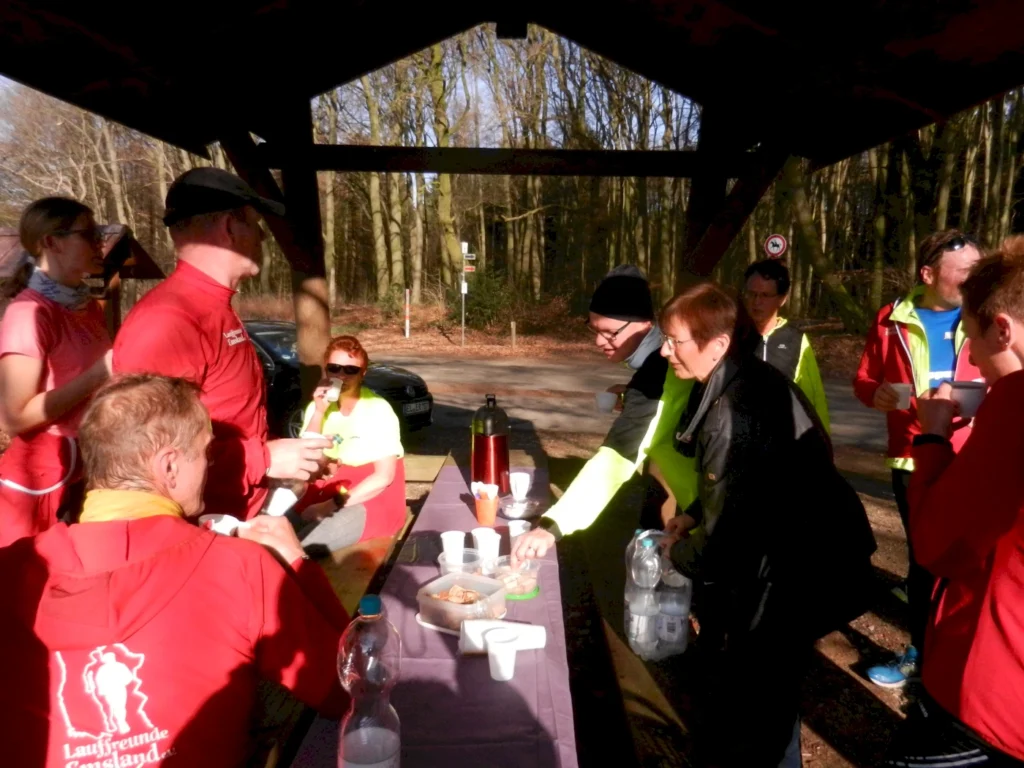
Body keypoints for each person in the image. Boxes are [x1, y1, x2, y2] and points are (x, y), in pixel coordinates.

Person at [0, 373, 349, 767]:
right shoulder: (239, 566)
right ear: (169, 466)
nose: (210, 464)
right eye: (205, 452)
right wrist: (297, 564)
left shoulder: (9, 572)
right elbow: (348, 689)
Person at [660, 282, 876, 768]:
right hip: (804, 557)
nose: (664, 351)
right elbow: (745, 478)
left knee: (762, 702)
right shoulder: (747, 377)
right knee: (770, 695)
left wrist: (676, 552)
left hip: (801, 569)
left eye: (674, 341)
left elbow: (725, 544)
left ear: (717, 344)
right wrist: (693, 512)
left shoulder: (731, 408)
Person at [113, 167, 331, 521]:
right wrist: (266, 459)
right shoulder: (168, 321)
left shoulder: (212, 307)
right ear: (230, 227)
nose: (262, 236)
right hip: (199, 532)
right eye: (255, 224)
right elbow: (147, 456)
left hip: (241, 516)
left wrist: (283, 459)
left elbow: (232, 416)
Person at [883, 242, 1024, 766]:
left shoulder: (1016, 403)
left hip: (988, 695)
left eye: (971, 336)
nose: (974, 360)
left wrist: (933, 437)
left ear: (1002, 330)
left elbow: (935, 544)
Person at [854, 229, 982, 688]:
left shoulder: (988, 314)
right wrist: (876, 394)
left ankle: (964, 661)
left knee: (972, 561)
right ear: (928, 274)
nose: (974, 280)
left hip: (974, 455)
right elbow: (864, 380)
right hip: (912, 457)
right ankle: (921, 656)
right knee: (924, 560)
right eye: (964, 272)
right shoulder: (891, 318)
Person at [511, 265, 696, 563]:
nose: (599, 341)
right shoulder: (657, 365)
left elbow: (616, 458)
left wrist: (552, 526)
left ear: (646, 324)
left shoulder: (658, 375)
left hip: (721, 509)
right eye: (594, 329)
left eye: (610, 332)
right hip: (700, 508)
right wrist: (630, 394)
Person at [0, 197, 112, 546]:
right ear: (51, 242)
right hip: (41, 483)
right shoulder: (28, 314)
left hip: (89, 468)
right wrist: (100, 373)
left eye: (99, 233)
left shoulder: (88, 307)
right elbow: (13, 418)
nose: (100, 243)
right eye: (89, 234)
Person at [288, 335, 407, 555]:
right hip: (329, 489)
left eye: (351, 370)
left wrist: (329, 505)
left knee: (302, 548)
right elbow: (306, 458)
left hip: (370, 497)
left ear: (363, 374)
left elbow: (383, 478)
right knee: (275, 526)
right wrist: (319, 411)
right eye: (334, 368)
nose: (341, 376)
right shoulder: (318, 407)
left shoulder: (377, 409)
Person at [736, 258, 829, 430]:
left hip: (780, 438)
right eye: (751, 294)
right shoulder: (729, 337)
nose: (756, 302)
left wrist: (821, 440)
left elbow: (813, 398)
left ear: (782, 299)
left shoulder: (796, 340)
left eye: (765, 295)